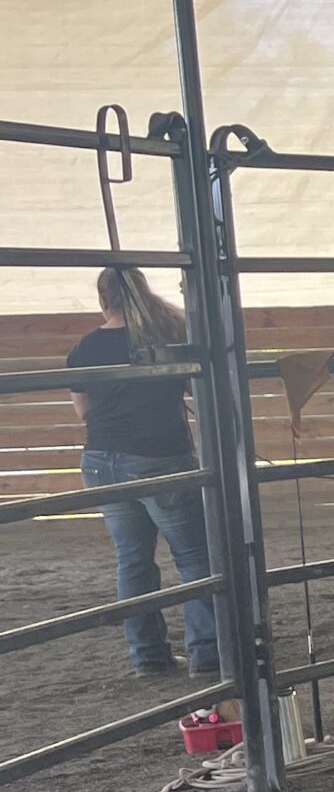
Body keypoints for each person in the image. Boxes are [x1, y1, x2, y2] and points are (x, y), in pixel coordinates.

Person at [65, 266, 219, 679]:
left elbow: (85, 409)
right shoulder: (165, 337)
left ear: (103, 299)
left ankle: (148, 655)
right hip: (159, 456)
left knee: (133, 560)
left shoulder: (85, 347)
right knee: (193, 555)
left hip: (100, 460)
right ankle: (207, 653)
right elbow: (200, 391)